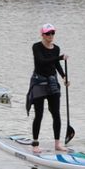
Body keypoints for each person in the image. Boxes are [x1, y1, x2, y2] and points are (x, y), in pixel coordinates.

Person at [25, 23, 68, 153]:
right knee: (39, 114)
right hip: (39, 82)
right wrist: (59, 58)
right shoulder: (36, 47)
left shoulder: (56, 48)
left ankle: (57, 144)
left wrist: (64, 77)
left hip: (52, 83)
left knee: (56, 114)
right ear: (42, 35)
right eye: (48, 33)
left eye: (52, 33)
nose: (51, 36)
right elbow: (41, 61)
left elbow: (55, 64)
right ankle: (35, 145)